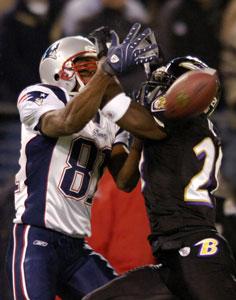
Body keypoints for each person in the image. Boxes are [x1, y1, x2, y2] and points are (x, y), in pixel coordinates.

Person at [5, 23, 161, 300]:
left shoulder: (106, 117)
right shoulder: (41, 95)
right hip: (37, 237)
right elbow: (66, 122)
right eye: (86, 67)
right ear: (60, 71)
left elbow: (125, 181)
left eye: (95, 67)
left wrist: (138, 136)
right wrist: (107, 71)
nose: (95, 74)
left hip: (77, 247)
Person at [82, 55, 236, 299]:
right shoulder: (171, 129)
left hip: (196, 250)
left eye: (163, 85)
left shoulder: (183, 122)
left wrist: (106, 71)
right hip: (171, 258)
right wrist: (125, 139)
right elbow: (124, 181)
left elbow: (126, 112)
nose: (153, 91)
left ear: (184, 94)